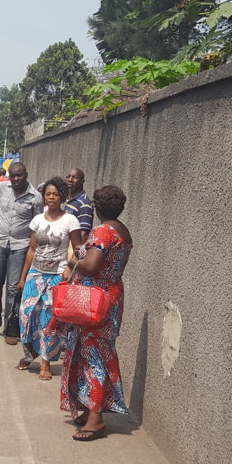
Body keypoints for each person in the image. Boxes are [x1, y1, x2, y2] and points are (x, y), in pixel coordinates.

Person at [59, 185, 132, 442]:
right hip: (110, 298)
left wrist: (72, 261)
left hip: (94, 303)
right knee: (97, 353)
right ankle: (91, 408)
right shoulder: (123, 231)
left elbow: (90, 266)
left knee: (93, 359)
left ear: (97, 208)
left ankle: (96, 419)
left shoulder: (102, 231)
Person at [15, 177, 83, 380]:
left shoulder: (71, 220)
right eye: (48, 194)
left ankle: (45, 362)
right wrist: (23, 277)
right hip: (35, 274)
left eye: (55, 194)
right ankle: (30, 352)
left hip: (57, 277)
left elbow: (79, 249)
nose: (51, 197)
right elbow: (32, 249)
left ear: (62, 196)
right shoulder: (37, 220)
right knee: (26, 316)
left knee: (48, 321)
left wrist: (70, 269)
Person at [0, 161, 41, 344]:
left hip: (20, 246)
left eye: (19, 175)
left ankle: (10, 328)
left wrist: (33, 248)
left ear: (26, 175)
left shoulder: (35, 197)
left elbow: (37, 224)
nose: (16, 179)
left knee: (13, 289)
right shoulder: (2, 188)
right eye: (13, 175)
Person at [63, 167, 94, 241]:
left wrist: (75, 252)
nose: (70, 180)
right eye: (68, 177)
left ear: (82, 181)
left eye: (75, 177)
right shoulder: (68, 200)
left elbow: (83, 234)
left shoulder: (84, 204)